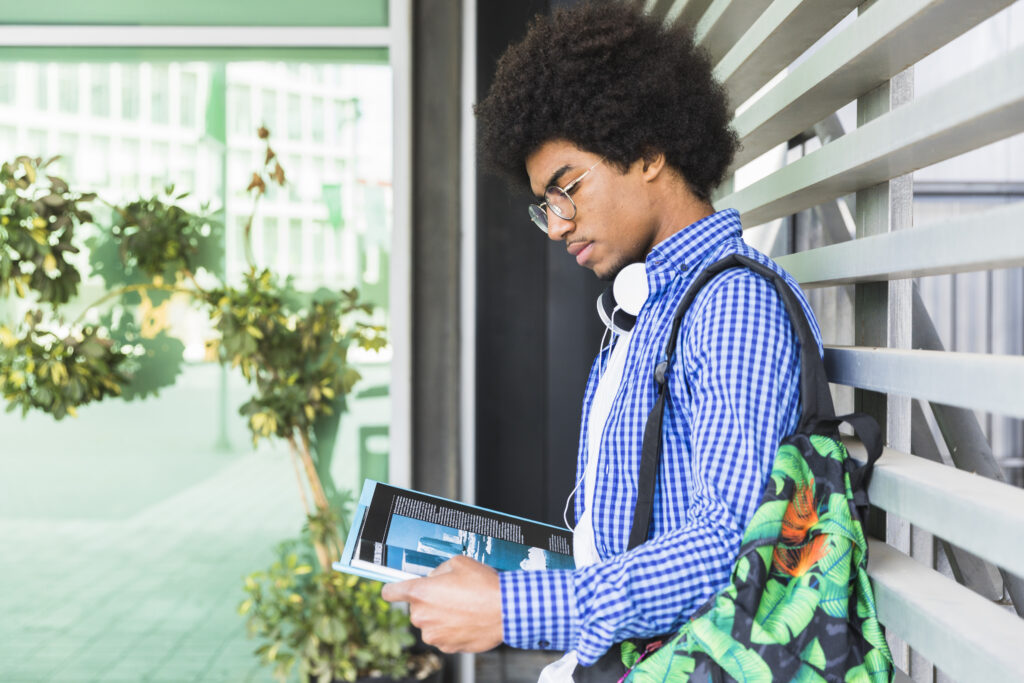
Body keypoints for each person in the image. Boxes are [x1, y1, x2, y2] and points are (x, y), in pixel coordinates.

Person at [382, 2, 823, 677]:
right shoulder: (653, 308)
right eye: (544, 204)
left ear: (647, 150)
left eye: (567, 189)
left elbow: (728, 548)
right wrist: (498, 567)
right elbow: (635, 537)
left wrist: (511, 603)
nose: (556, 225)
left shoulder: (731, 305)